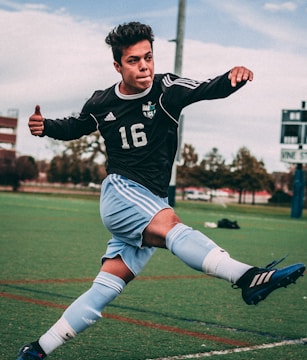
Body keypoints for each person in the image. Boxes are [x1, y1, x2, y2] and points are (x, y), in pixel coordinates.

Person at [17, 22, 305, 360]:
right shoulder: (101, 102)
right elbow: (75, 126)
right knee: (171, 225)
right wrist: (45, 126)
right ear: (118, 66)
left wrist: (233, 77)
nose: (144, 66)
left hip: (148, 203)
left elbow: (207, 88)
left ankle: (37, 350)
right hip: (121, 192)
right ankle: (249, 277)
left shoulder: (166, 88)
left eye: (148, 57)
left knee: (103, 290)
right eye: (134, 60)